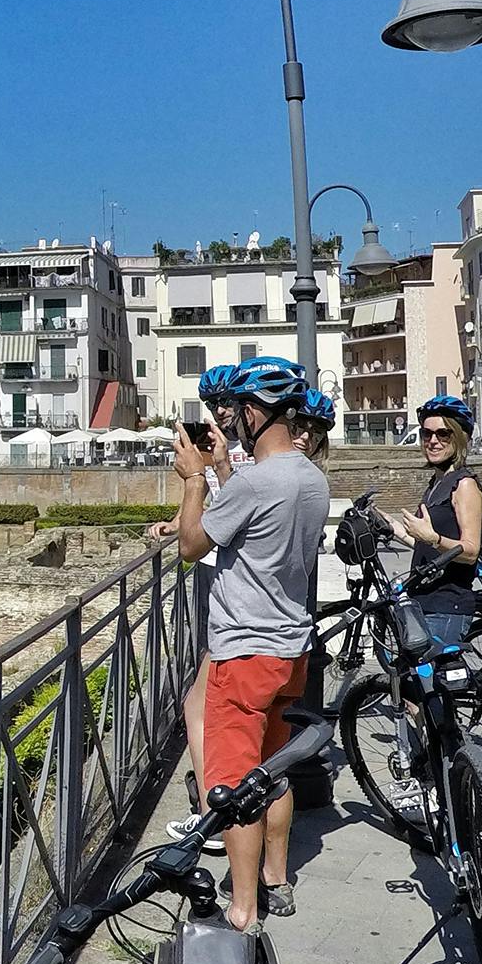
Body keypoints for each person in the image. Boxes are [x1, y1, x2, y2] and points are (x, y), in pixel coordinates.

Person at [173, 355, 330, 934]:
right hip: (290, 647)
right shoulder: (311, 478)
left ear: (257, 412)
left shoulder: (259, 483)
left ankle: (242, 911)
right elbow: (255, 516)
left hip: (242, 653)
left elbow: (192, 545)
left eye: (238, 409)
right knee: (274, 768)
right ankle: (276, 878)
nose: (231, 420)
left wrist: (194, 480)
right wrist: (220, 473)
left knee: (236, 783)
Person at [151, 365, 248, 852]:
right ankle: (220, 806)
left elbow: (224, 511)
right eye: (212, 406)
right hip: (225, 585)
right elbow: (211, 504)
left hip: (238, 594)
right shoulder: (229, 453)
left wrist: (208, 474)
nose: (219, 412)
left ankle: (212, 814)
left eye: (227, 402)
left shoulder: (249, 457)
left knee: (202, 705)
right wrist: (176, 521)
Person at [389, 395, 482, 651]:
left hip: (447, 607)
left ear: (459, 437)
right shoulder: (437, 483)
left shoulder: (464, 485)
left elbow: (471, 550)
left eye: (443, 434)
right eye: (427, 434)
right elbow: (428, 548)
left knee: (436, 688)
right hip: (423, 601)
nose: (433, 441)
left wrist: (433, 538)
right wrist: (392, 528)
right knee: (418, 686)